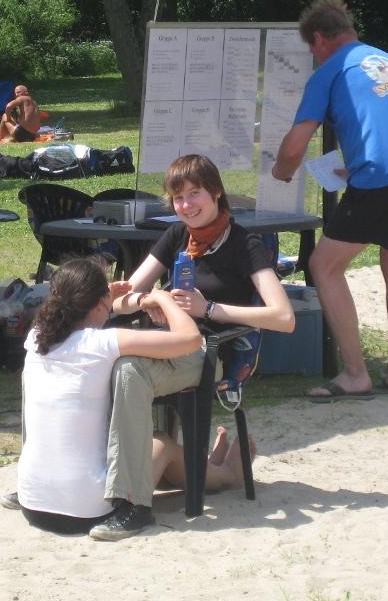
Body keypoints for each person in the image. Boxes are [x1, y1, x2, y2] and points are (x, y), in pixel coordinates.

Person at [93, 153, 295, 540]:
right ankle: (78, 481)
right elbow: (120, 299)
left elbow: (283, 317)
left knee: (127, 369)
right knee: (96, 362)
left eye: (194, 194)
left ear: (216, 192)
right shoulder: (176, 236)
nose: (186, 205)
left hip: (208, 352)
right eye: (178, 198)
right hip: (164, 342)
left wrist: (210, 309)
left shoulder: (245, 244)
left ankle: (133, 505)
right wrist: (146, 301)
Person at [272, 0, 388, 400]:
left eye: (312, 49)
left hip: (383, 177)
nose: (314, 57)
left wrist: (281, 171)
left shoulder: (330, 70)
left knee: (324, 265)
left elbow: (296, 144)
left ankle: (355, 374)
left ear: (319, 39)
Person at [17, 257, 255, 537]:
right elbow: (190, 338)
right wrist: (162, 298)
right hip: (88, 509)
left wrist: (107, 298)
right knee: (162, 443)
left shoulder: (36, 338)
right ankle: (227, 475)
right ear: (98, 304)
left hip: (32, 504)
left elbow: (82, 309)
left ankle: (215, 467)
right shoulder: (102, 343)